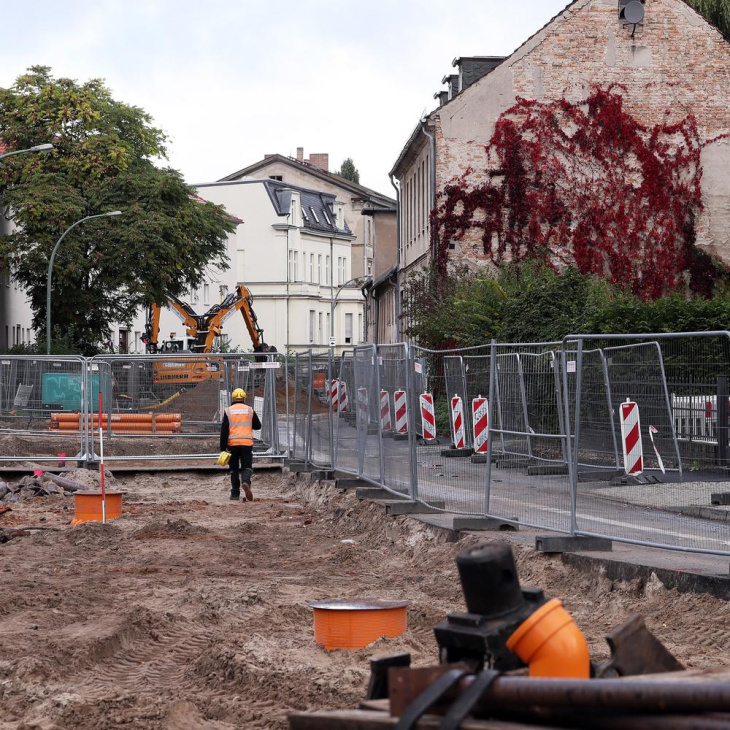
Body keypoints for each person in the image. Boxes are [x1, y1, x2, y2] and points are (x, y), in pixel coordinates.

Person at [220, 388, 261, 502]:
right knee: (246, 466)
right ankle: (246, 482)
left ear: (233, 398)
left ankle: (234, 493)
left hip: (232, 444)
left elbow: (224, 431)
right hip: (247, 444)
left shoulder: (228, 411)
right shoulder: (249, 410)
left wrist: (222, 449)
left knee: (234, 469)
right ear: (244, 397)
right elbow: (258, 426)